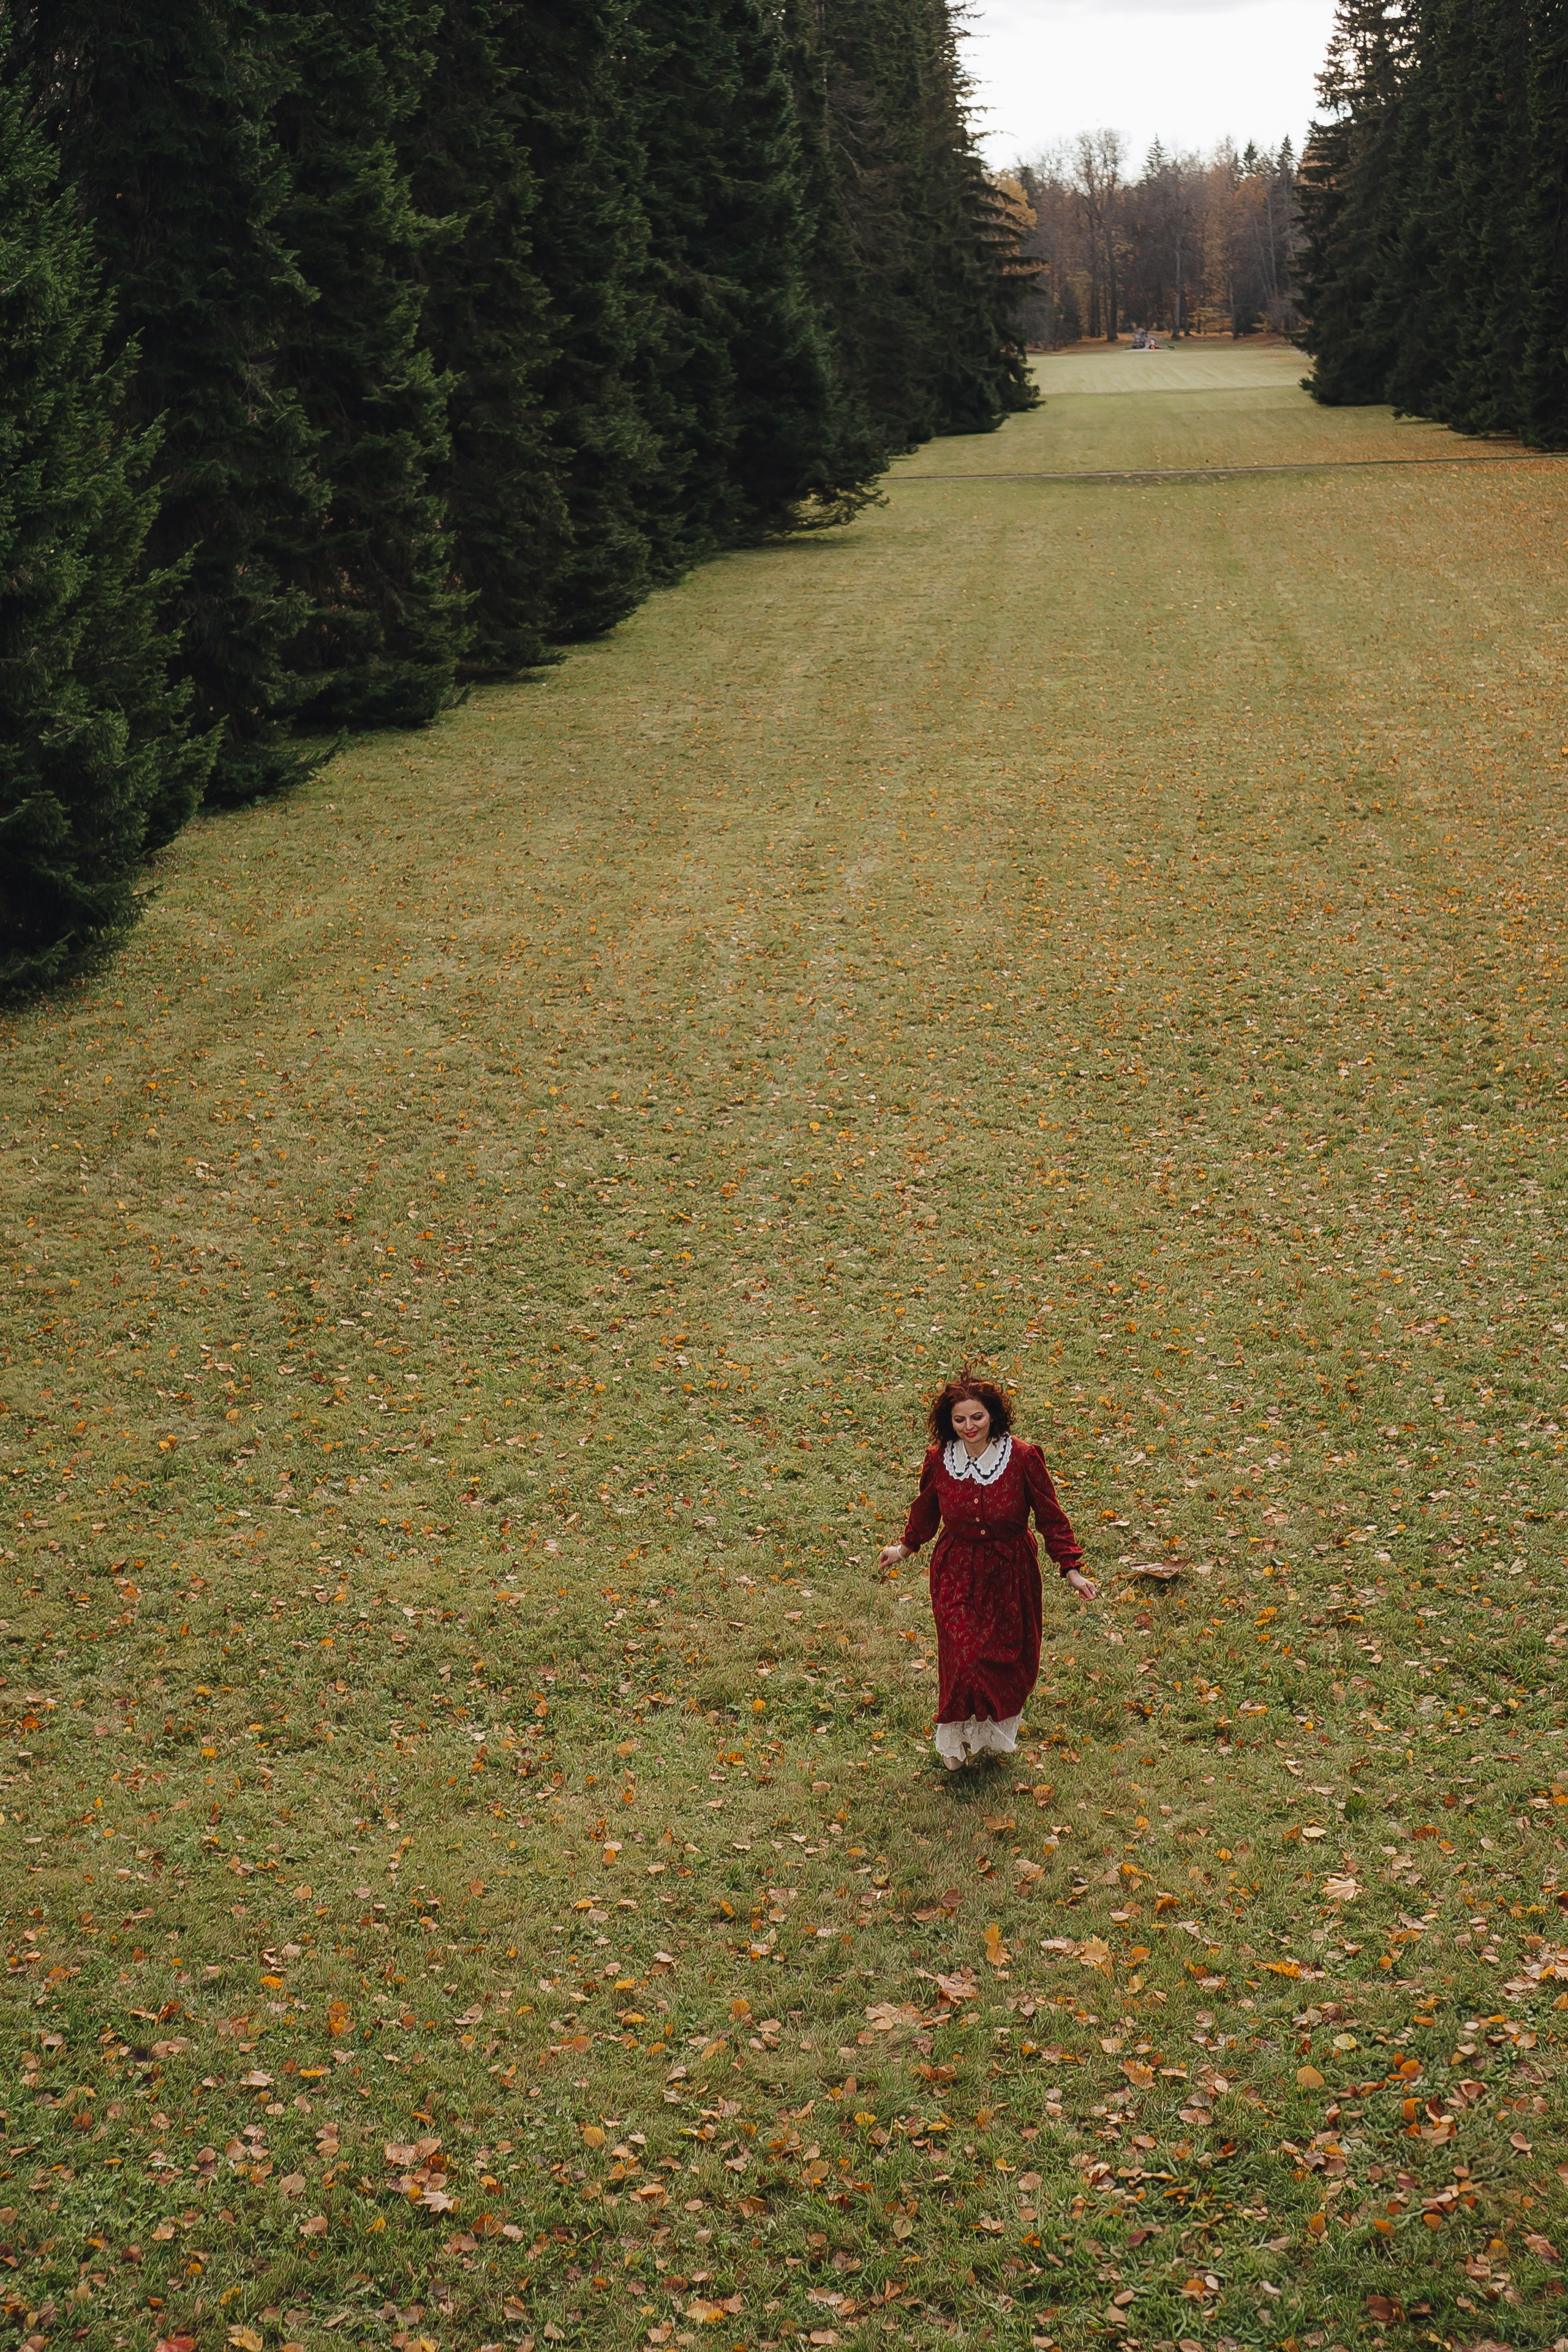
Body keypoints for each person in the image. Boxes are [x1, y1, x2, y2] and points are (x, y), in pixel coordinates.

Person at [878, 1373, 1095, 1771]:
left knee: (1003, 1661)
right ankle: (953, 1740)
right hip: (956, 1569)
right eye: (960, 1420)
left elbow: (1051, 1517)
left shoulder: (1023, 1458)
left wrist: (1071, 1569)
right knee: (964, 1658)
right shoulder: (940, 1459)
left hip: (1010, 1572)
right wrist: (903, 1549)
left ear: (993, 1415)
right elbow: (925, 1510)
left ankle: (988, 1732)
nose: (969, 1427)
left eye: (977, 1417)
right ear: (949, 1422)